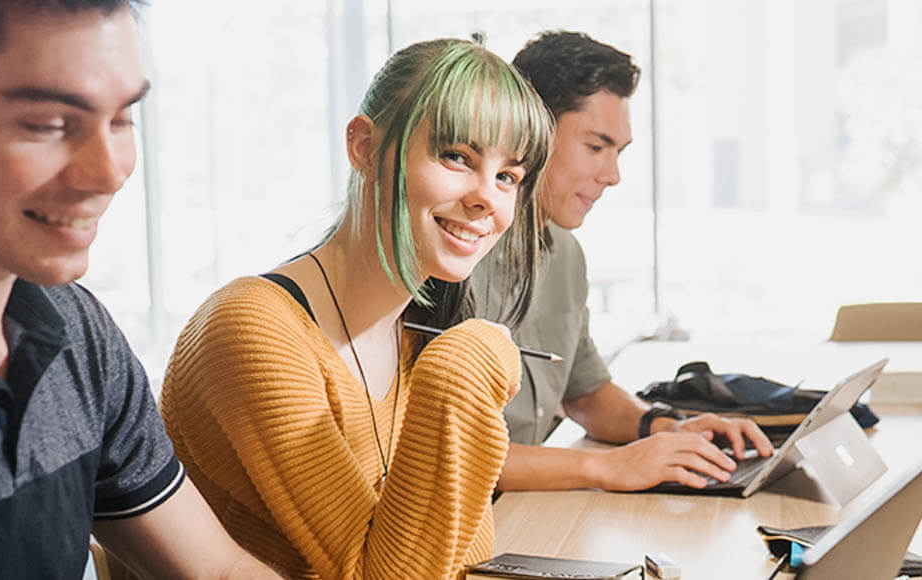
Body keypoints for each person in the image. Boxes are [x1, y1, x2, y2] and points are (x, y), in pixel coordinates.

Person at [0, 1, 281, 577]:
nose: (110, 170)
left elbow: (217, 569)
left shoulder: (73, 329)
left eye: (123, 119)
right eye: (48, 125)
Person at [160, 38, 552, 579]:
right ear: (365, 147)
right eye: (457, 157)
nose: (488, 198)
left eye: (508, 176)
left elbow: (465, 556)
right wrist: (464, 367)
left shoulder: (415, 334)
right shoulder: (252, 330)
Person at [469, 31, 775, 493]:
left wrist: (664, 428)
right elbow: (445, 455)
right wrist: (608, 468)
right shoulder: (454, 259)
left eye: (618, 152)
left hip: (524, 510)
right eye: (596, 147)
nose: (612, 176)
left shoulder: (565, 254)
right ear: (528, 130)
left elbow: (586, 392)